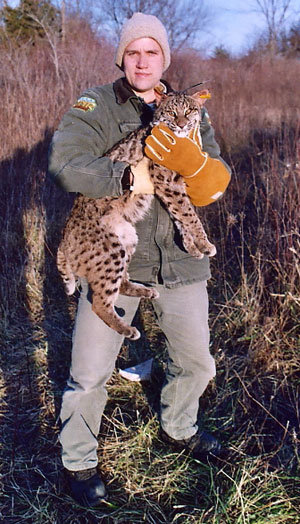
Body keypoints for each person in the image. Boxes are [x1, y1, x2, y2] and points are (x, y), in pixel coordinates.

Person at [48, 12, 231, 507]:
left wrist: (198, 166)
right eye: (134, 52)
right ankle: (79, 462)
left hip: (179, 259)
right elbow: (65, 165)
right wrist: (127, 177)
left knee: (197, 363)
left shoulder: (190, 108)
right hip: (113, 250)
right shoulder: (97, 104)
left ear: (164, 59)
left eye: (153, 52)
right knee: (88, 371)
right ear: (122, 58)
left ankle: (179, 427)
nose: (143, 61)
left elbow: (215, 177)